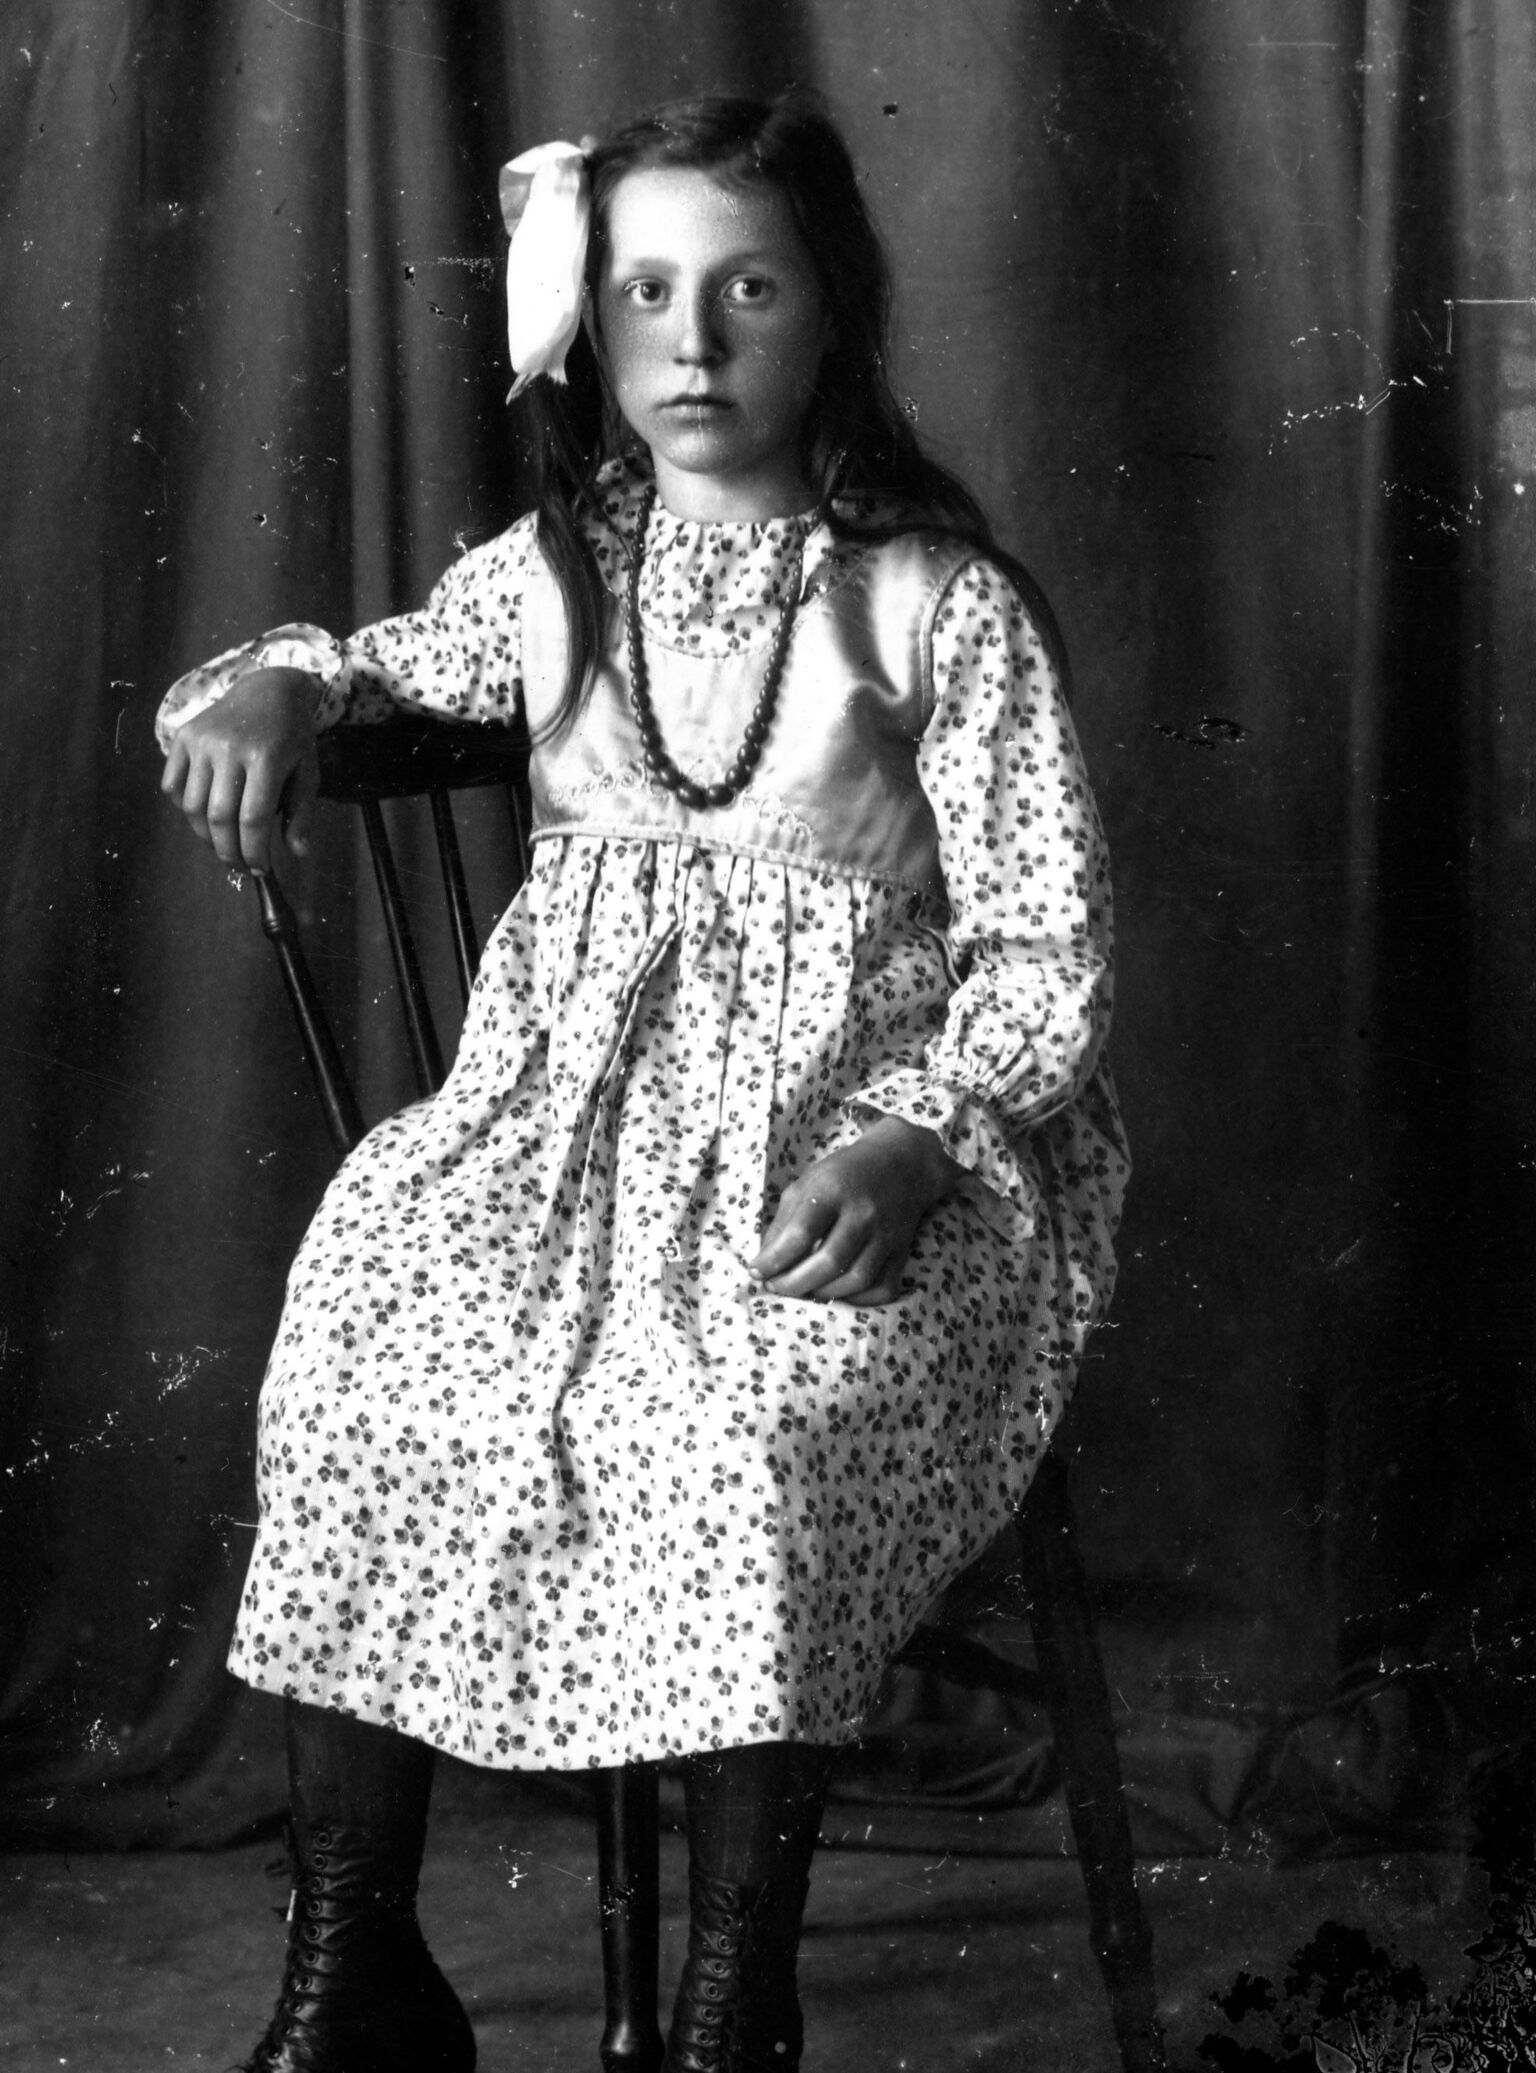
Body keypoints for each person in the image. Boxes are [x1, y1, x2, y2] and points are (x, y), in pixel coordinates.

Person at [157, 91, 1128, 2073]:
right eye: (646, 294)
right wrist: (276, 678)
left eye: (747, 290)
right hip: (552, 1145)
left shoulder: (932, 601)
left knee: (737, 1431)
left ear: (831, 311)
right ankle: (358, 1964)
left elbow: (1048, 947)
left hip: (853, 1155)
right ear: (592, 325)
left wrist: (918, 1134)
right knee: (356, 1347)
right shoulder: (553, 573)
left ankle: (727, 2004)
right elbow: (370, 663)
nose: (692, 342)